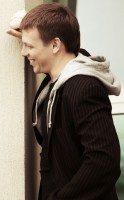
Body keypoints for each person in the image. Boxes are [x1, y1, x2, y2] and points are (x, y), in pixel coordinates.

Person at [8, 3, 121, 199]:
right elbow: (70, 54)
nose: (23, 52)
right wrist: (33, 32)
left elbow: (103, 161)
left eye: (29, 46)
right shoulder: (56, 82)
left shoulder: (83, 88)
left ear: (55, 45)